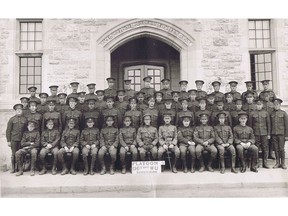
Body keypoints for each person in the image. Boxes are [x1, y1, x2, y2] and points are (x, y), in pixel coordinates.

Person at [249, 99, 271, 169]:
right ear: (255, 105)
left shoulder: (266, 113)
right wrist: (251, 135)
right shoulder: (252, 113)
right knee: (256, 148)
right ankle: (257, 163)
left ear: (262, 105)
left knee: (265, 148)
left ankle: (265, 163)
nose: (258, 106)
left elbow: (268, 124)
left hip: (264, 133)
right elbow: (250, 126)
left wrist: (268, 134)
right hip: (256, 133)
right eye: (257, 105)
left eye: (260, 105)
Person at [6, 104, 27, 173]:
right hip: (14, 139)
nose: (19, 111)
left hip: (22, 140)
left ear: (22, 110)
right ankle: (13, 168)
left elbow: (26, 130)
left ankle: (20, 167)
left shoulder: (25, 119)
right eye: (17, 110)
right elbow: (8, 130)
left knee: (21, 154)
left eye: (20, 110)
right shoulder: (12, 119)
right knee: (13, 154)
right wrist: (8, 140)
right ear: (15, 111)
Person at [270, 98, 288, 169]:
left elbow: (287, 125)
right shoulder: (271, 113)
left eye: (277, 104)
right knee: (276, 148)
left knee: (281, 149)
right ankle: (277, 162)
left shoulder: (284, 113)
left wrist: (286, 135)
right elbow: (270, 124)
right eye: (274, 104)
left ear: (280, 105)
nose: (276, 105)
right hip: (274, 133)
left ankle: (283, 163)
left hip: (282, 134)